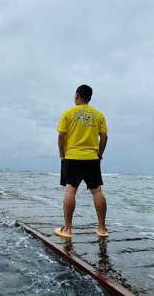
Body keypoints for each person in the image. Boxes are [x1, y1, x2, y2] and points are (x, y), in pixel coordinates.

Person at [55, 84, 109, 238]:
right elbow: (104, 136)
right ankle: (102, 229)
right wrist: (99, 154)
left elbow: (61, 136)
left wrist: (62, 155)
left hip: (71, 157)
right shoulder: (98, 115)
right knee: (97, 191)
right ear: (89, 98)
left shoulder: (68, 113)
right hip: (92, 158)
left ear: (77, 95)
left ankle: (68, 230)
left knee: (71, 190)